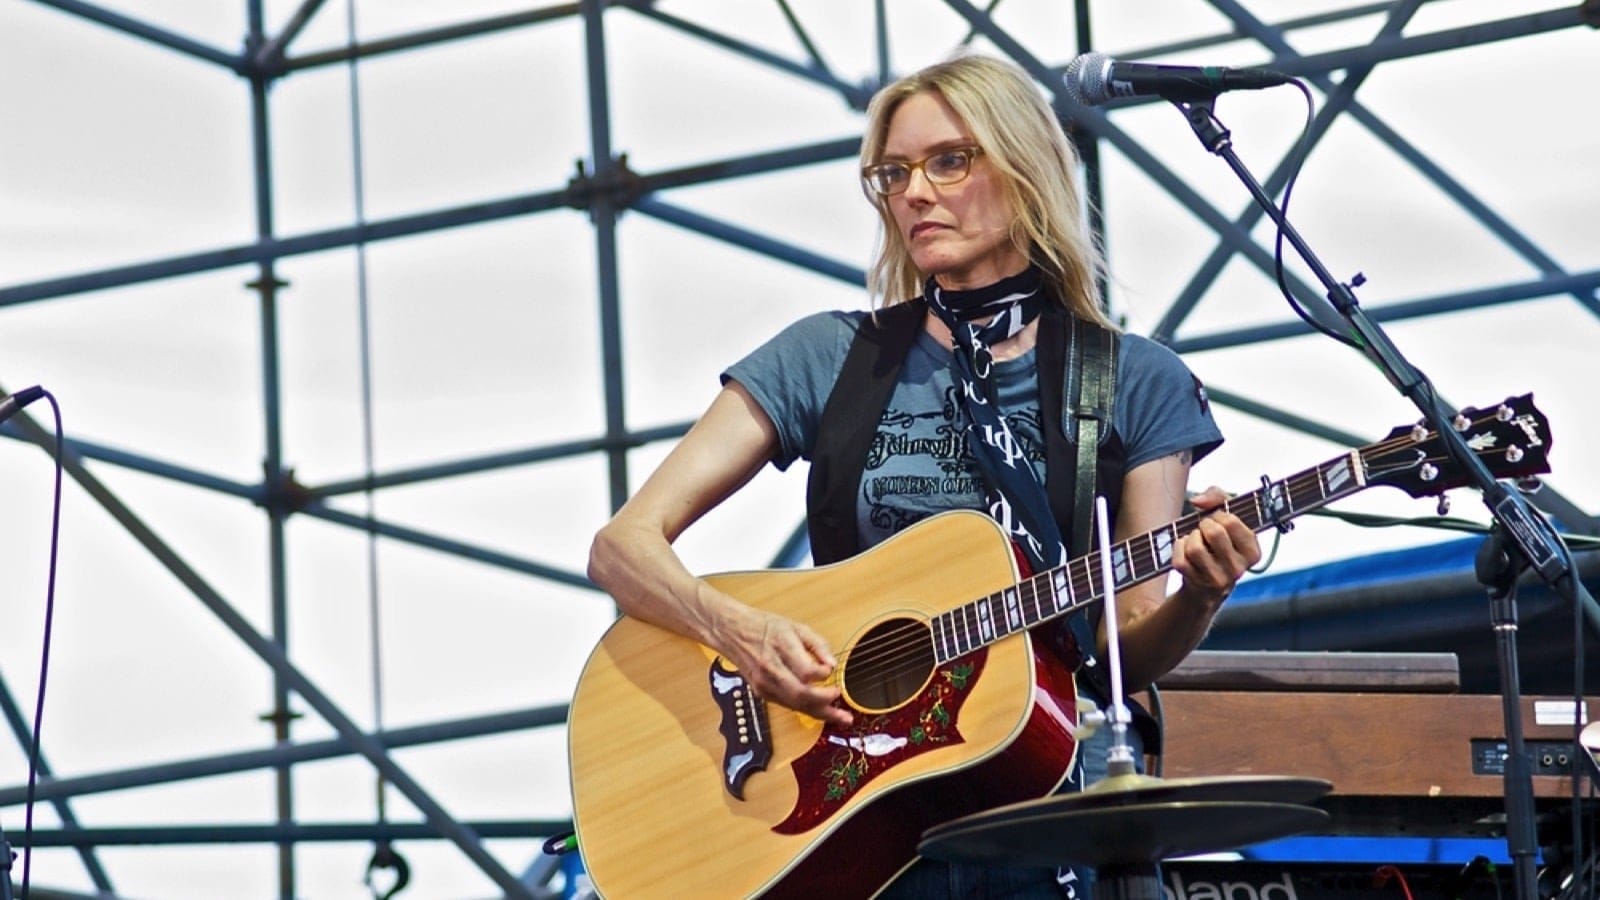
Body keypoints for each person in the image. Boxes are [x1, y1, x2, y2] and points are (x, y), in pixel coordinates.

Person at [586, 53, 1261, 899]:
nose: (913, 193)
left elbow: (1125, 646)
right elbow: (622, 548)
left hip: (1048, 806)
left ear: (1023, 169)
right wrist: (738, 633)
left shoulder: (1133, 378)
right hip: (867, 817)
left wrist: (1202, 592)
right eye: (893, 173)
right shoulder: (829, 357)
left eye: (949, 160)